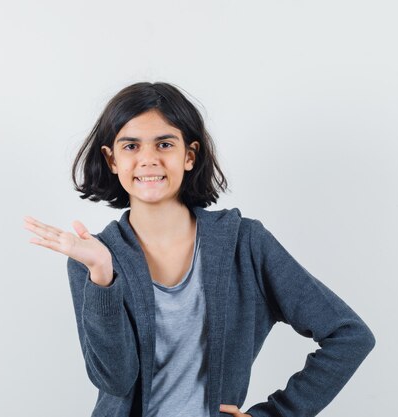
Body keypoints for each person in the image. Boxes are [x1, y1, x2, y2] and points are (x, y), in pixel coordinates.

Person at [23, 82, 375, 417]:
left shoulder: (244, 243)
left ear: (189, 155)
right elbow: (115, 380)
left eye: (164, 144)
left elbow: (348, 335)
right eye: (130, 146)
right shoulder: (91, 258)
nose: (147, 159)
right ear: (112, 160)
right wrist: (101, 276)